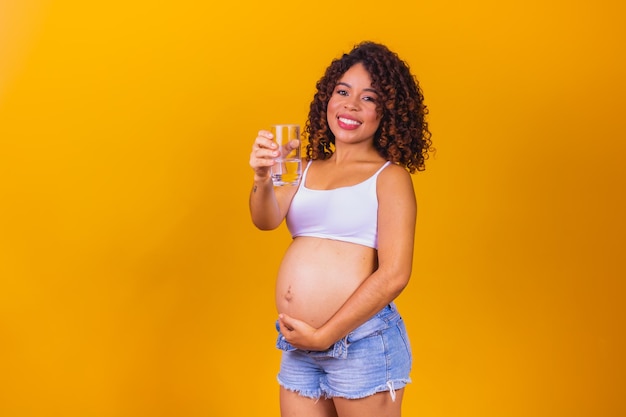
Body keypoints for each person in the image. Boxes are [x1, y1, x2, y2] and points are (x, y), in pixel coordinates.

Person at [248, 41, 432, 417]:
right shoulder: (304, 167)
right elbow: (265, 220)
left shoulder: (390, 178)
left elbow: (395, 274)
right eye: (343, 92)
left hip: (361, 343)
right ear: (327, 99)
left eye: (368, 98)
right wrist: (262, 176)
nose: (350, 105)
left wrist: (325, 334)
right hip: (299, 346)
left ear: (389, 112)